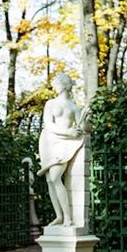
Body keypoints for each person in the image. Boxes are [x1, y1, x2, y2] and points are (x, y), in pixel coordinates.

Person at [37, 74, 89, 227]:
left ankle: (68, 217)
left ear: (66, 85)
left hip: (65, 144)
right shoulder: (51, 103)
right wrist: (68, 132)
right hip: (49, 141)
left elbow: (85, 129)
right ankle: (59, 216)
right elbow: (49, 124)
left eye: (58, 83)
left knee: (55, 177)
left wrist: (85, 120)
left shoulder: (73, 106)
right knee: (50, 181)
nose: (55, 85)